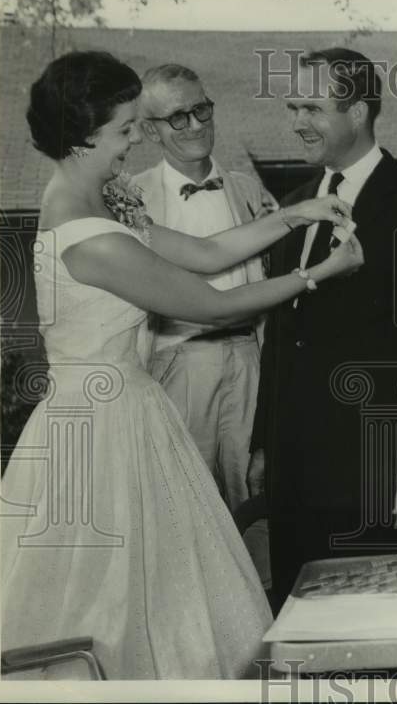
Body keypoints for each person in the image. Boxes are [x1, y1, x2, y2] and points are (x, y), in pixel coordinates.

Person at [2, 50, 362, 679]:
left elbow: (204, 249)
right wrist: (319, 273)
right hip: (103, 432)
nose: (135, 140)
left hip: (116, 410)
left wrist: (293, 214)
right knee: (114, 597)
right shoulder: (94, 240)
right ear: (84, 138)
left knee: (155, 591)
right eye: (123, 130)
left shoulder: (95, 202)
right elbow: (214, 304)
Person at [248, 48, 397, 610]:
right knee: (303, 620)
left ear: (358, 112)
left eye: (312, 108)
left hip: (378, 468)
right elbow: (281, 330)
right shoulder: (292, 207)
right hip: (295, 468)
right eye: (293, 107)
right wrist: (265, 444)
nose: (297, 122)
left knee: (379, 624)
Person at [132, 63, 277, 513]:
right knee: (181, 504)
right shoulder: (131, 196)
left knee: (255, 500)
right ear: (151, 131)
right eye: (177, 117)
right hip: (178, 364)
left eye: (201, 110)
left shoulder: (248, 189)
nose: (194, 125)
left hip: (249, 361)